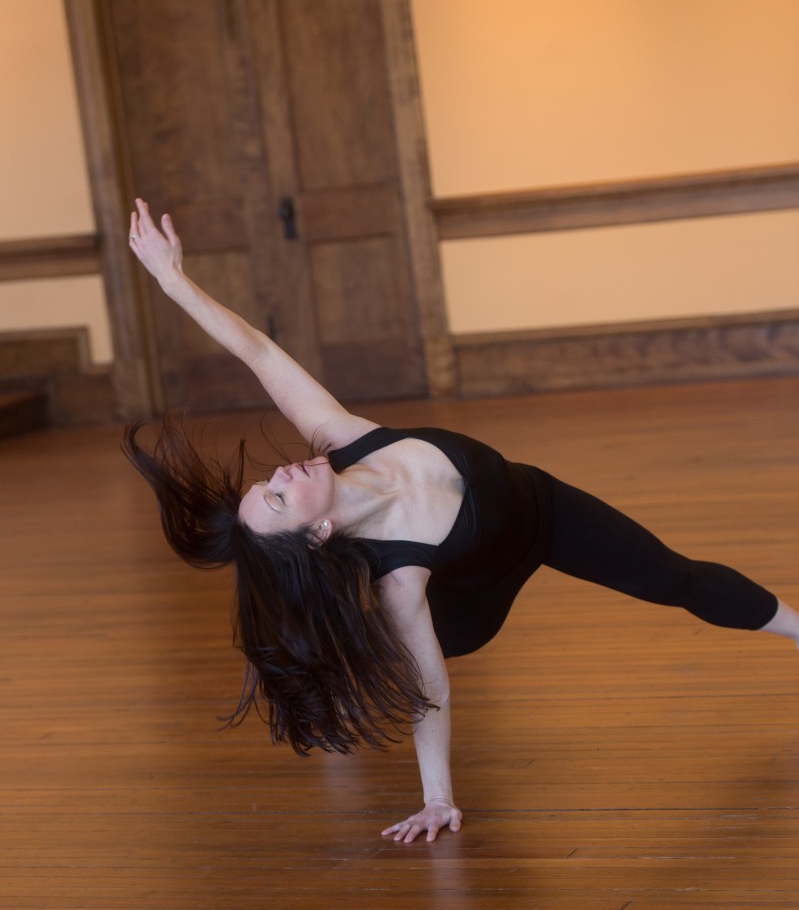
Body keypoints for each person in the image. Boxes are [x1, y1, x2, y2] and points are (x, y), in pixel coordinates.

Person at [124, 198, 799, 844]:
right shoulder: (399, 578)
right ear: (318, 534)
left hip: (545, 509)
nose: (279, 474)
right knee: (399, 650)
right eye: (276, 499)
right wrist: (437, 797)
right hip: (472, 600)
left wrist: (170, 277)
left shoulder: (341, 435)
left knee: (673, 578)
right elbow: (428, 688)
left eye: (264, 483)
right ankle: (323, 677)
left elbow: (260, 353)